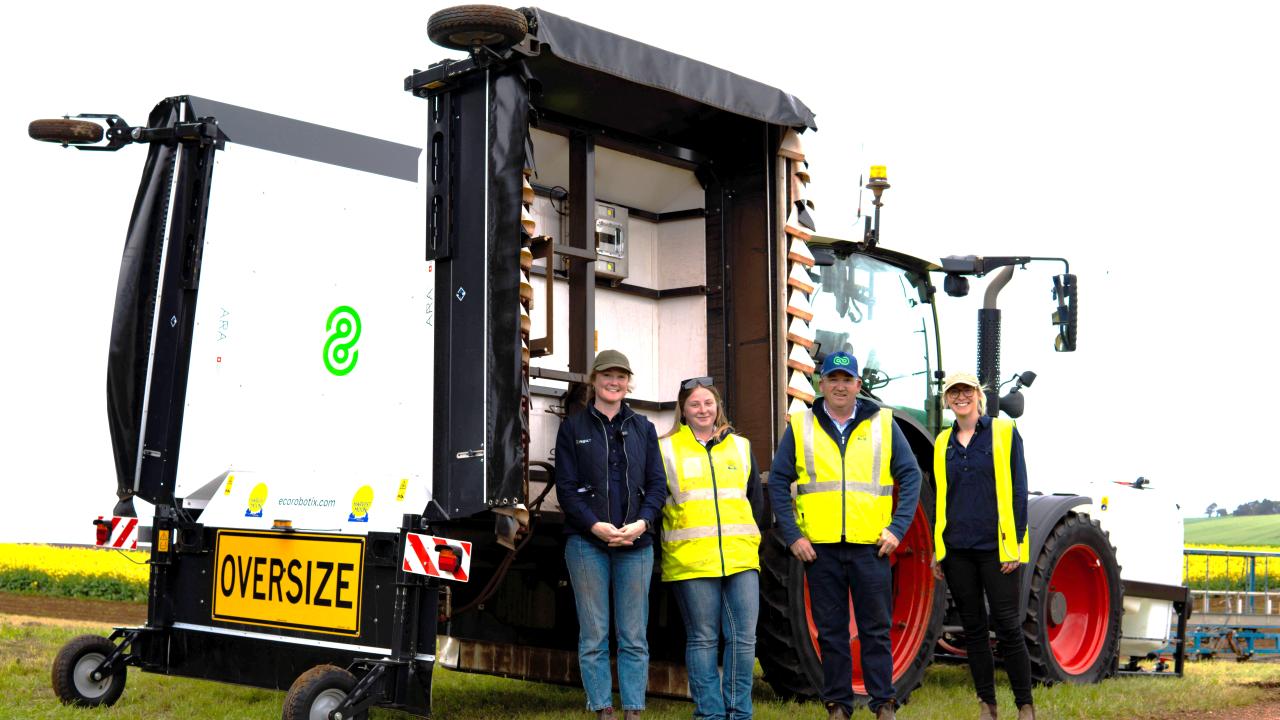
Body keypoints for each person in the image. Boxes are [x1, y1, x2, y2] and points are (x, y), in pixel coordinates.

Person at [768, 351, 921, 720]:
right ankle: (838, 705)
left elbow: (911, 475)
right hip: (820, 550)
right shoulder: (802, 425)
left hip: (871, 548)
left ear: (857, 384)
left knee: (876, 629)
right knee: (831, 633)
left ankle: (883, 703)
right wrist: (793, 536)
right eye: (833, 379)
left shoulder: (884, 423)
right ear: (822, 385)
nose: (840, 386)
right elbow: (777, 480)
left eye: (846, 379)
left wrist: (897, 529)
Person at [555, 349, 668, 720]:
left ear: (628, 382)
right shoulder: (573, 428)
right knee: (594, 633)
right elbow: (566, 489)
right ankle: (603, 708)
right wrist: (595, 526)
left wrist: (642, 523)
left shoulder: (643, 428)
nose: (614, 382)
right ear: (594, 380)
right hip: (587, 544)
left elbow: (656, 486)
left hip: (636, 544)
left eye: (621, 377)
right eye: (607, 376)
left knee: (634, 634)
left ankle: (633, 710)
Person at [658, 377, 765, 720]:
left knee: (744, 639)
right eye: (694, 405)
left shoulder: (742, 447)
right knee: (703, 639)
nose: (702, 409)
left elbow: (756, 503)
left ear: (717, 407)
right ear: (683, 411)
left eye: (708, 403)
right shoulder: (667, 450)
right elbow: (656, 505)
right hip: (691, 560)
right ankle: (710, 713)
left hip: (741, 559)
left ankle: (739, 713)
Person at [930, 372, 1035, 720]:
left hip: (996, 548)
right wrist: (938, 549)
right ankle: (987, 705)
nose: (960, 397)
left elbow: (1019, 490)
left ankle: (1025, 706)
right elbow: (941, 500)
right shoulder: (942, 442)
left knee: (1007, 626)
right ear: (947, 400)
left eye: (966, 391)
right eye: (953, 392)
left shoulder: (1004, 432)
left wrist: (1016, 545)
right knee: (974, 630)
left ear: (978, 395)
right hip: (957, 549)